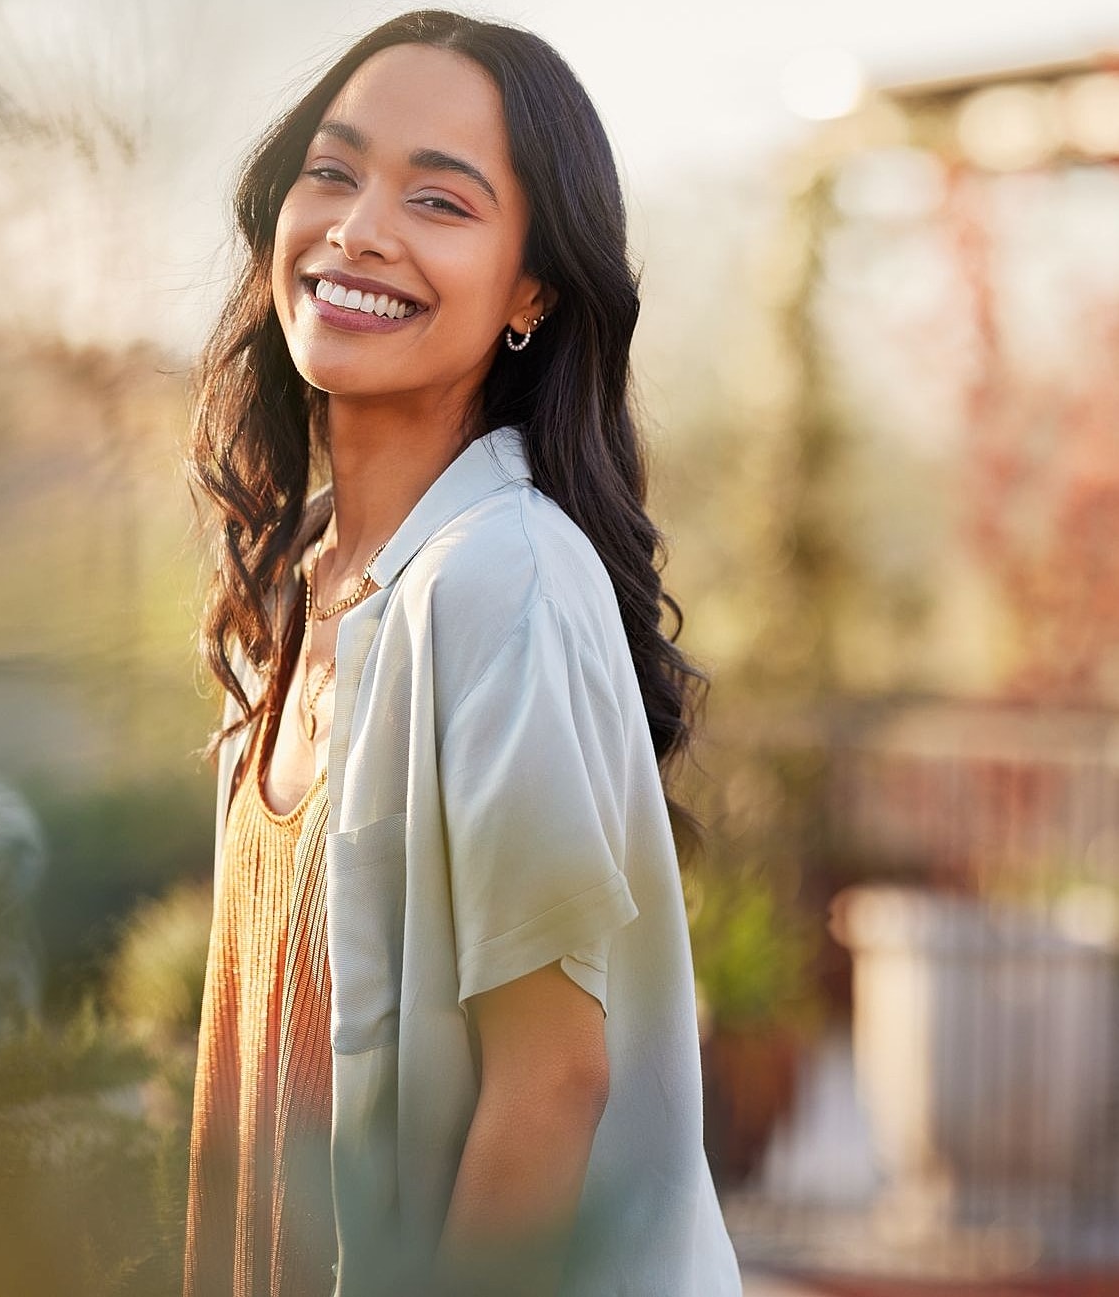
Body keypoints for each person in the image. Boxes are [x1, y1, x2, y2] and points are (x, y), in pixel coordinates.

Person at [181, 10, 745, 1296]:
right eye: (332, 172)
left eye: (439, 200)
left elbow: (549, 1084)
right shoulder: (294, 589)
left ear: (531, 291)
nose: (360, 228)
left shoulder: (503, 578)